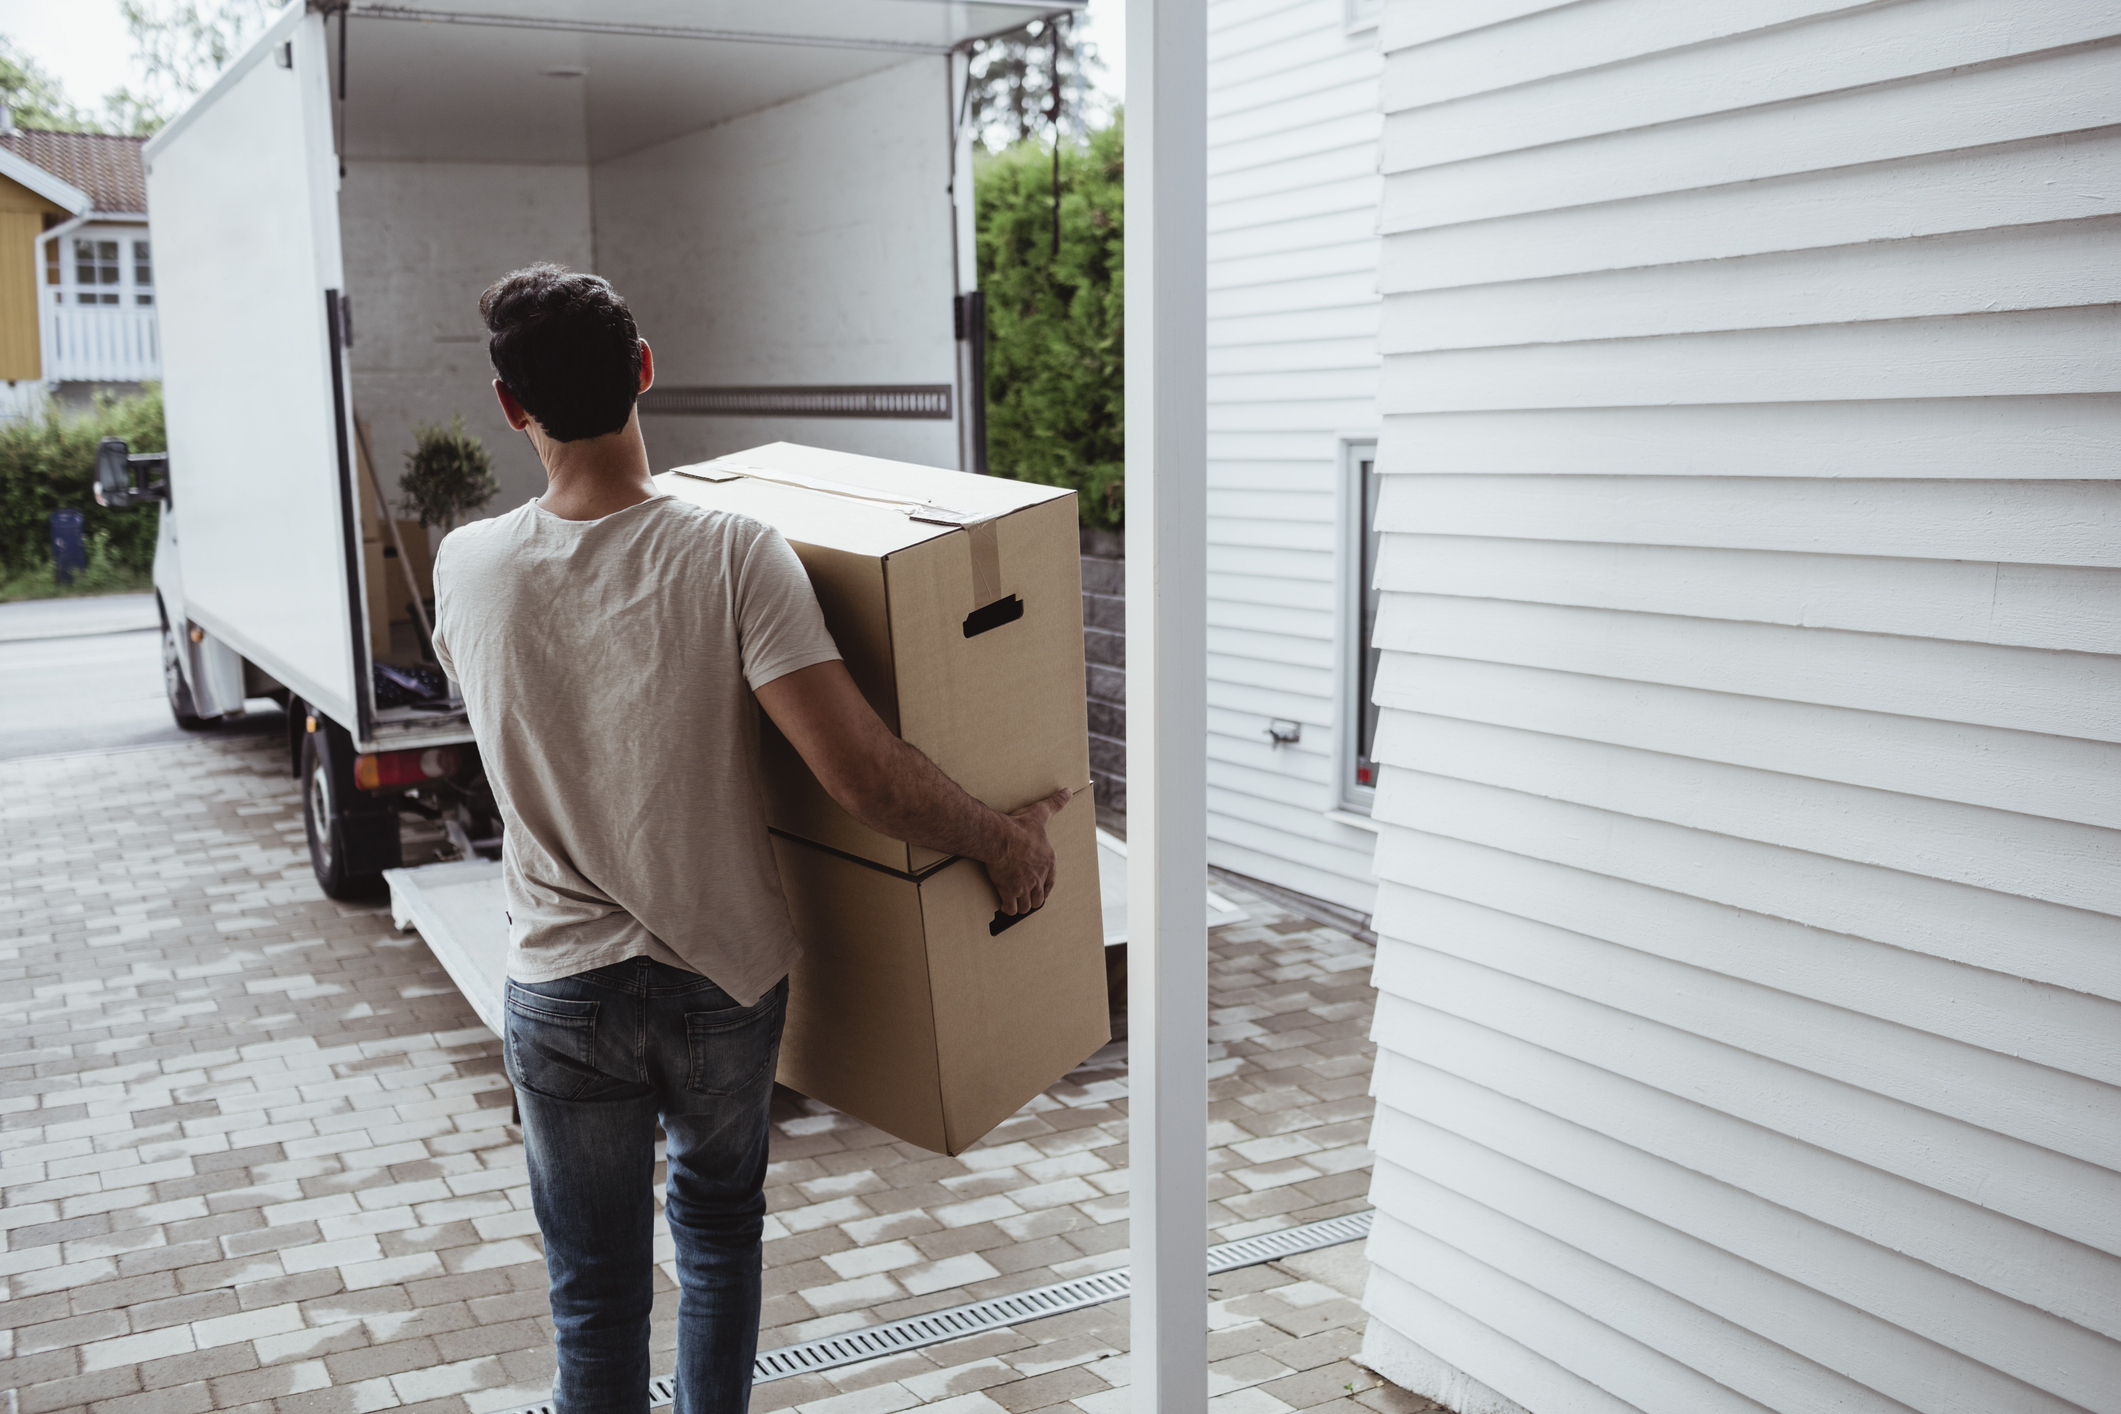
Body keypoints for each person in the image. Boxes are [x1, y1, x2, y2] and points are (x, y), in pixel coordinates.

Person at [430, 264, 1069, 1414]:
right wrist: (1006, 842)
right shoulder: (733, 552)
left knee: (593, 1296)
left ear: (508, 406)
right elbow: (861, 773)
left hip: (559, 987)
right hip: (716, 981)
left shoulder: (467, 565)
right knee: (718, 1242)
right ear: (645, 369)